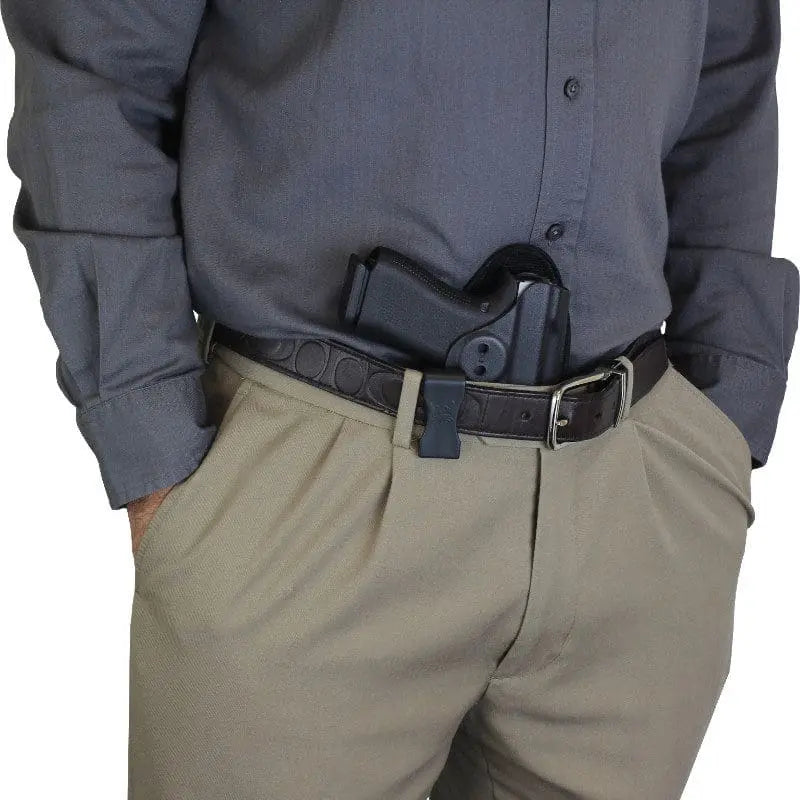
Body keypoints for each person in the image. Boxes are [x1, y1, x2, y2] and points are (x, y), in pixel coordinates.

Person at [2, 2, 797, 798]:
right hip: (314, 492)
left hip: (631, 498)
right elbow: (94, 71)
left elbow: (730, 71)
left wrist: (723, 420)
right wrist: (152, 444)